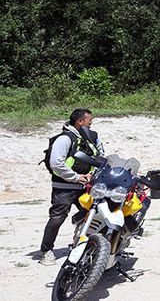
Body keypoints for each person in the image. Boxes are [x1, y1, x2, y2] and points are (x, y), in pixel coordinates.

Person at [39, 108, 103, 266]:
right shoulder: (65, 138)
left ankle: (83, 244)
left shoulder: (92, 137)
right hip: (64, 186)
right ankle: (46, 251)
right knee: (58, 217)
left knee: (92, 215)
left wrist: (91, 176)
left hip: (86, 186)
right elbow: (56, 163)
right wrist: (76, 178)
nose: (91, 123)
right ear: (80, 121)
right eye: (89, 120)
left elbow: (99, 158)